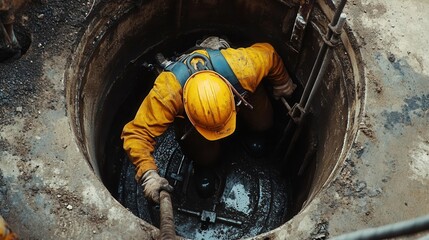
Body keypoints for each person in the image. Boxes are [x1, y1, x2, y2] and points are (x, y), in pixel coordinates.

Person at [121, 37, 296, 203]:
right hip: (193, 124)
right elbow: (138, 133)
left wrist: (283, 83)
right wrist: (148, 173)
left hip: (241, 93)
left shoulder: (242, 68)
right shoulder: (169, 92)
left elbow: (269, 55)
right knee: (205, 156)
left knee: (263, 122)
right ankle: (204, 165)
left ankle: (255, 133)